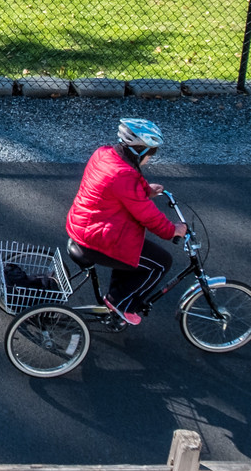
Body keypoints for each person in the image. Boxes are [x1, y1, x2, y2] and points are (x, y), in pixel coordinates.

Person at [65, 117, 182, 326]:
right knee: (160, 263)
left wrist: (146, 189)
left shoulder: (104, 154)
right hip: (95, 239)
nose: (152, 157)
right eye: (151, 152)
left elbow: (126, 188)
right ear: (140, 151)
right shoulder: (124, 175)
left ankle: (116, 298)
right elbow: (149, 216)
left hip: (84, 226)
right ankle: (123, 304)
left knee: (133, 250)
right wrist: (173, 230)